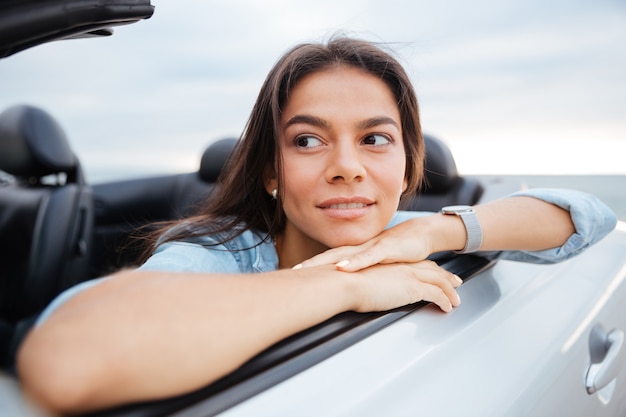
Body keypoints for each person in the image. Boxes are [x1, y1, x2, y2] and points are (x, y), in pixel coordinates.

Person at [17, 37, 617, 414]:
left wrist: (438, 233)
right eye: (308, 140)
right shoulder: (221, 249)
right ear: (272, 173)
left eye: (375, 139)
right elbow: (66, 359)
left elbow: (587, 217)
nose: (347, 168)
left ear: (408, 165)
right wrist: (346, 282)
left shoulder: (409, 226)